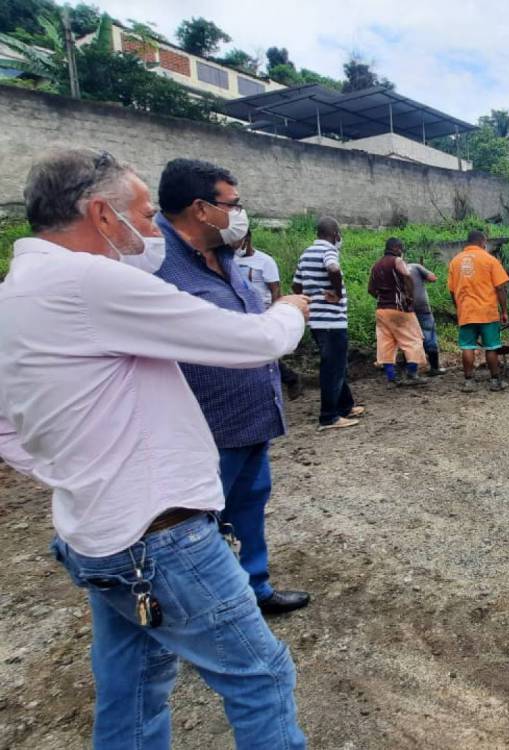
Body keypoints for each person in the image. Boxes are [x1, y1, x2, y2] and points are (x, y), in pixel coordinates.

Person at [0, 149, 308, 748]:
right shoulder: (91, 281)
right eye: (143, 216)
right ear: (101, 215)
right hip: (161, 537)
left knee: (132, 686)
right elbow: (249, 342)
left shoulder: (14, 293)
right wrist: (289, 311)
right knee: (261, 675)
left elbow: (6, 429)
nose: (151, 231)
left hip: (93, 532)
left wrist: (81, 473)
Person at [154, 158, 312, 616]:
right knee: (193, 524)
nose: (240, 213)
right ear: (201, 208)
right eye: (234, 204)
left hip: (249, 416)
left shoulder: (226, 257)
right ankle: (205, 608)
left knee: (249, 504)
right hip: (199, 425)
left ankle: (253, 588)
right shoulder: (154, 264)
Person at [292, 216, 365, 430]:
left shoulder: (306, 254)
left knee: (336, 365)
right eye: (338, 234)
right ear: (334, 235)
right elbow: (333, 269)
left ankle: (346, 406)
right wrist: (337, 293)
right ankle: (328, 416)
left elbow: (296, 285)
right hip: (332, 321)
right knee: (333, 368)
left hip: (316, 321)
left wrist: (311, 297)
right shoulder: (328, 250)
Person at [236, 228, 303, 401]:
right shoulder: (230, 261)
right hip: (240, 314)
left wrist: (274, 315)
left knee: (259, 353)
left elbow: (275, 291)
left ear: (248, 239)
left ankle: (288, 379)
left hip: (262, 313)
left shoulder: (265, 261)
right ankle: (287, 379)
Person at [447, 229, 509, 392]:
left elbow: (452, 291)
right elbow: (501, 288)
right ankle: (495, 381)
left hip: (466, 312)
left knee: (467, 347)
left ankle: (469, 381)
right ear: (482, 242)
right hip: (487, 312)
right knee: (491, 347)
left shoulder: (455, 261)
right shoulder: (489, 260)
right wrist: (504, 311)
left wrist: (459, 308)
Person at [367, 237, 428, 386]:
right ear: (395, 248)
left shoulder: (376, 266)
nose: (402, 251)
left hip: (382, 310)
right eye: (401, 248)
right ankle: (412, 374)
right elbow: (406, 275)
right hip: (399, 309)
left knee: (386, 343)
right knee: (414, 339)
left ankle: (391, 377)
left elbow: (370, 290)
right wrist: (409, 297)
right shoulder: (397, 261)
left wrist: (382, 297)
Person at [404, 251, 446, 375]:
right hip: (422, 307)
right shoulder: (416, 266)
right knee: (429, 336)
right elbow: (432, 278)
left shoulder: (394, 271)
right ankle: (434, 368)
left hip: (405, 309)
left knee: (410, 339)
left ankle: (412, 370)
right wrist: (425, 273)